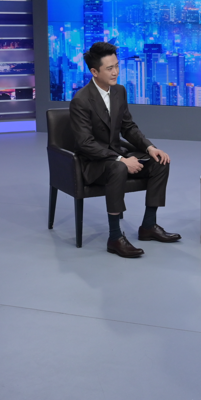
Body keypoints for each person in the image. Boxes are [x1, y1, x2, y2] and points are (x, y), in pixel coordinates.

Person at [69, 42, 181, 258]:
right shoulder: (81, 100)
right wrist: (121, 159)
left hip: (116, 153)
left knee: (160, 162)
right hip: (93, 163)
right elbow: (85, 144)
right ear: (94, 72)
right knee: (118, 168)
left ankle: (148, 226)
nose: (116, 72)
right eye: (109, 68)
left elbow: (128, 127)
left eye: (117, 66)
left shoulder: (119, 91)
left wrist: (149, 148)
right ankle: (114, 237)